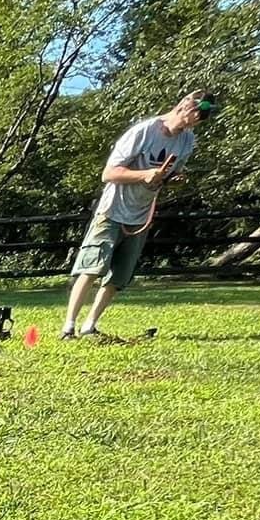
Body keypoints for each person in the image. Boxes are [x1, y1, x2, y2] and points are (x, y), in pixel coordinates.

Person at [62, 91, 218, 339]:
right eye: (195, 115)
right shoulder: (144, 131)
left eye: (201, 119)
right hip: (112, 210)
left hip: (141, 214)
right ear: (183, 106)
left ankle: (89, 325)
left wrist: (173, 179)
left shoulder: (187, 140)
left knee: (119, 276)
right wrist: (143, 175)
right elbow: (109, 173)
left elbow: (169, 174)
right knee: (92, 267)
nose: (195, 122)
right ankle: (68, 327)